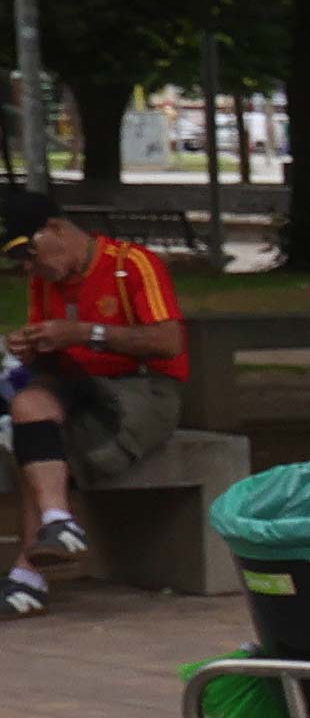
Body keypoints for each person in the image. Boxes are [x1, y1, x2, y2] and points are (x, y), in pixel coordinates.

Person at [2, 185, 190, 620]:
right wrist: (32, 347)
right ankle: (57, 522)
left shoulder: (131, 265)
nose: (30, 267)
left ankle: (29, 577)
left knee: (39, 439)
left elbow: (168, 341)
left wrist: (88, 333)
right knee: (25, 412)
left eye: (30, 254)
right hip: (76, 384)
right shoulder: (43, 282)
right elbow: (52, 357)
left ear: (56, 229)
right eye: (20, 262)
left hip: (143, 389)